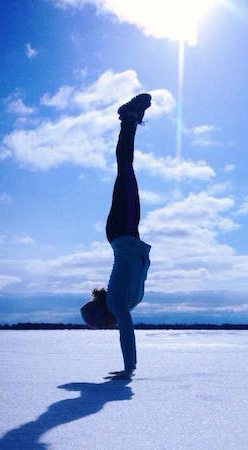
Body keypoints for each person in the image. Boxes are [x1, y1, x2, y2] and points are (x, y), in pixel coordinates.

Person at [103, 93, 152, 379]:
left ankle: (128, 119)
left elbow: (126, 331)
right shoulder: (125, 303)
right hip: (128, 233)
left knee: (125, 169)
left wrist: (129, 368)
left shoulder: (116, 303)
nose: (110, 326)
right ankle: (130, 120)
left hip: (121, 232)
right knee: (127, 170)